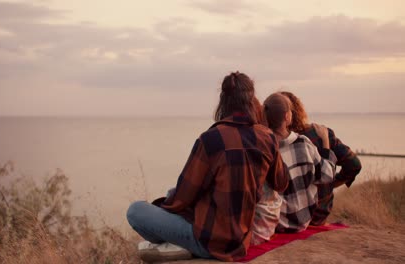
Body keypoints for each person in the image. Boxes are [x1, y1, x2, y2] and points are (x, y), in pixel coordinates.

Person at [126, 72, 289, 262]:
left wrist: (162, 208)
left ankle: (182, 245)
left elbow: (182, 197)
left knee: (136, 211)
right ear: (252, 101)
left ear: (223, 101)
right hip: (241, 241)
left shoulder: (211, 139)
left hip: (209, 242)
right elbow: (282, 183)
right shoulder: (267, 137)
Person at [280, 91, 362, 225]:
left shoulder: (271, 140)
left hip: (287, 217)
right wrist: (331, 184)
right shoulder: (319, 134)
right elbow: (354, 164)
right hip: (319, 215)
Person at [260, 93, 336, 233]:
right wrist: (325, 141)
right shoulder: (303, 143)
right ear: (287, 117)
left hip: (277, 223)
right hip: (304, 221)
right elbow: (327, 175)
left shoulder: (263, 149)